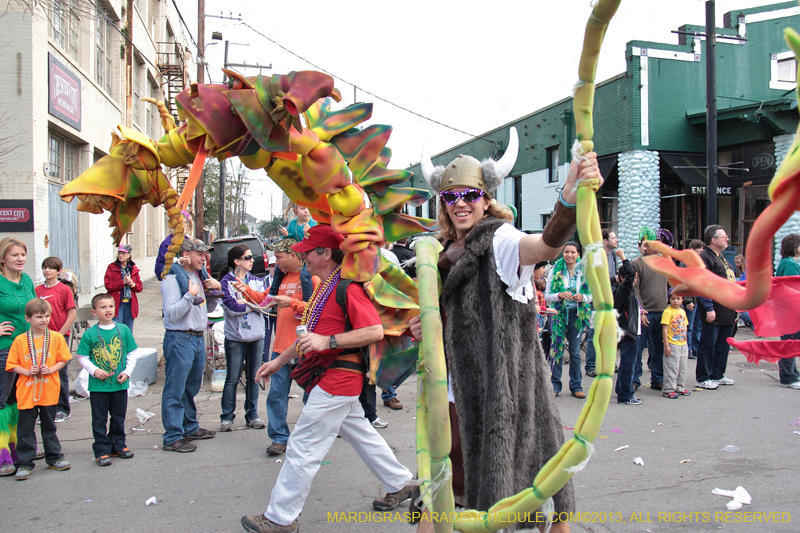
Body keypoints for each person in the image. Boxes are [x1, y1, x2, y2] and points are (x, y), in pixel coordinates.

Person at [409, 129, 601, 532]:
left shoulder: (500, 239)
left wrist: (566, 198)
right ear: (443, 204)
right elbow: (453, 315)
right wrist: (426, 324)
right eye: (451, 197)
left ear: (485, 199)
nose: (460, 203)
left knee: (502, 490)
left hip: (499, 392)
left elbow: (545, 246)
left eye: (470, 195)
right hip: (451, 393)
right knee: (440, 491)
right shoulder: (442, 255)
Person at [240, 224, 413, 533]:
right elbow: (309, 335)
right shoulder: (326, 286)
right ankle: (400, 483)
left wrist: (328, 342)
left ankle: (280, 518)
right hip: (333, 380)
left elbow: (373, 331)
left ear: (325, 253)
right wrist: (278, 361)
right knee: (361, 432)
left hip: (338, 380)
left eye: (307, 251)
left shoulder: (348, 286)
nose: (301, 255)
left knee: (303, 447)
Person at [234, 239, 319, 455]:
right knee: (276, 396)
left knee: (312, 395)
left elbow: (318, 309)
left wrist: (291, 303)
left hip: (306, 348)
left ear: (293, 256)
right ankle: (279, 438)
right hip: (281, 348)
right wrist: (244, 289)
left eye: (279, 257)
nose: (276, 262)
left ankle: (313, 436)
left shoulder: (311, 278)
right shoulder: (279, 280)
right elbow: (265, 300)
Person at [160, 238, 218, 452]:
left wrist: (213, 292)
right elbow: (171, 314)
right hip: (179, 338)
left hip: (196, 337)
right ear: (186, 255)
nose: (204, 258)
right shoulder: (173, 279)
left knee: (191, 387)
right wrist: (189, 295)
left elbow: (206, 307)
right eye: (200, 254)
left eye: (205, 254)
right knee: (175, 389)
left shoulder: (198, 277)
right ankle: (172, 436)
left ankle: (189, 427)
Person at [5, 298, 72, 480]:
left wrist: (50, 369)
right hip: (26, 393)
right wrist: (27, 371)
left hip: (49, 391)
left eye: (47, 316)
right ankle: (25, 463)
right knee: (25, 430)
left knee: (49, 427)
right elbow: (12, 365)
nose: (44, 320)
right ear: (27, 319)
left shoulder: (56, 337)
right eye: (39, 317)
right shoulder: (20, 340)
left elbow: (63, 359)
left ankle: (54, 457)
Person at [76, 293, 137, 466]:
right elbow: (82, 357)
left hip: (119, 384)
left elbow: (132, 352)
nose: (107, 310)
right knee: (99, 419)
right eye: (103, 307)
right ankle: (101, 450)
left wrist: (127, 372)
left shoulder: (123, 329)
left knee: (118, 417)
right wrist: (94, 371)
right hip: (99, 387)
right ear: (94, 312)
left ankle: (118, 445)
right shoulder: (90, 334)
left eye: (110, 306)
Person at [219, 244, 267, 431]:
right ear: (236, 262)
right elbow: (232, 308)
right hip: (235, 338)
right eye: (247, 257)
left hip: (256, 336)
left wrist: (247, 302)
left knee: (253, 377)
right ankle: (227, 416)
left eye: (251, 257)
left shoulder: (256, 281)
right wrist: (253, 303)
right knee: (232, 377)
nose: (252, 260)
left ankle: (252, 414)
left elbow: (266, 304)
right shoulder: (226, 282)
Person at [0, 237, 37, 477]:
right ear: (3, 258)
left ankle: (18, 449)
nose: (20, 259)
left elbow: (34, 309)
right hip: (4, 348)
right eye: (15, 255)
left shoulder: (26, 280)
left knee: (19, 401)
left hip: (26, 348)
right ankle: (3, 455)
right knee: (2, 402)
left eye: (22, 254)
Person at [545, 241, 593, 397]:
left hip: (577, 316)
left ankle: (576, 386)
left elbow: (591, 295)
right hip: (559, 314)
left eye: (573, 252)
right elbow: (547, 295)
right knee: (557, 350)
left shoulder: (585, 271)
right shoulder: (555, 270)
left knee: (575, 352)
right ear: (563, 253)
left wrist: (583, 297)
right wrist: (559, 295)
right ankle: (555, 386)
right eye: (566, 252)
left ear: (579, 254)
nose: (569, 255)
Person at [695, 225, 737, 390]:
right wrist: (709, 307)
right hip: (714, 308)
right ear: (713, 240)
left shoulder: (721, 257)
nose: (727, 239)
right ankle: (703, 377)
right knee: (708, 344)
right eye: (723, 236)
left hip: (727, 307)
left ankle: (717, 374)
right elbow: (701, 284)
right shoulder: (705, 257)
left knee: (723, 343)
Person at [35, 256, 76, 423]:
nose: (47, 271)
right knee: (41, 372)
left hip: (59, 337)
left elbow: (71, 315)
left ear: (59, 271)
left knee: (60, 373)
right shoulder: (37, 290)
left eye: (51, 268)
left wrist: (59, 334)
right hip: (40, 338)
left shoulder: (64, 290)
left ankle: (62, 408)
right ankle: (44, 409)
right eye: (44, 267)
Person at [632, 230, 669, 391]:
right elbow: (635, 289)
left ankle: (658, 379)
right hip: (645, 313)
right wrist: (640, 310)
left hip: (663, 311)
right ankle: (634, 379)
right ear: (645, 246)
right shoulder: (636, 263)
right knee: (638, 348)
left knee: (659, 349)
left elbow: (671, 285)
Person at [614, 260, 642, 405]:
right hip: (629, 332)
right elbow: (629, 274)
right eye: (633, 278)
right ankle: (625, 395)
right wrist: (623, 258)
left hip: (632, 331)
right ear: (623, 278)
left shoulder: (627, 292)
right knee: (628, 365)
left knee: (627, 363)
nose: (634, 280)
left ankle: (621, 390)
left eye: (636, 278)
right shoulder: (623, 289)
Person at [775, 234, 800, 390]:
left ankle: (791, 374)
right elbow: (792, 288)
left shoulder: (788, 262)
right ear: (795, 246)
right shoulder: (790, 263)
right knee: (789, 343)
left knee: (790, 342)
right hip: (790, 311)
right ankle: (788, 377)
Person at [104, 244, 142, 332]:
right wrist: (122, 282)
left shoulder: (133, 268)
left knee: (128, 331)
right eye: (119, 253)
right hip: (117, 303)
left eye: (123, 253)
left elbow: (139, 288)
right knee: (117, 330)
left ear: (129, 255)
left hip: (129, 304)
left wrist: (132, 284)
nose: (120, 255)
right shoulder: (112, 267)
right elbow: (108, 285)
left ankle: (127, 346)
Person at [661, 289, 691, 399]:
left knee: (682, 367)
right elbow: (665, 329)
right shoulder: (667, 311)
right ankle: (668, 389)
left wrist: (686, 342)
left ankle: (680, 387)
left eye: (678, 299)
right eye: (673, 299)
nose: (675, 301)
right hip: (672, 343)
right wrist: (666, 345)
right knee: (672, 366)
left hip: (682, 343)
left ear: (682, 300)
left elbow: (685, 326)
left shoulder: (682, 312)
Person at [688, 239, 705, 359]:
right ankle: (688, 349)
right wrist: (688, 300)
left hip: (700, 299)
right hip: (691, 300)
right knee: (690, 326)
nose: (702, 250)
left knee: (698, 326)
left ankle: (696, 348)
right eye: (700, 248)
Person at [262, 256, 278, 362]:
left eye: (275, 266)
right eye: (271, 266)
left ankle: (279, 360)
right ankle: (265, 360)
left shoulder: (282, 279)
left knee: (279, 338)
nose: (273, 268)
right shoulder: (264, 281)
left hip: (278, 312)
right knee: (266, 339)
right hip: (267, 314)